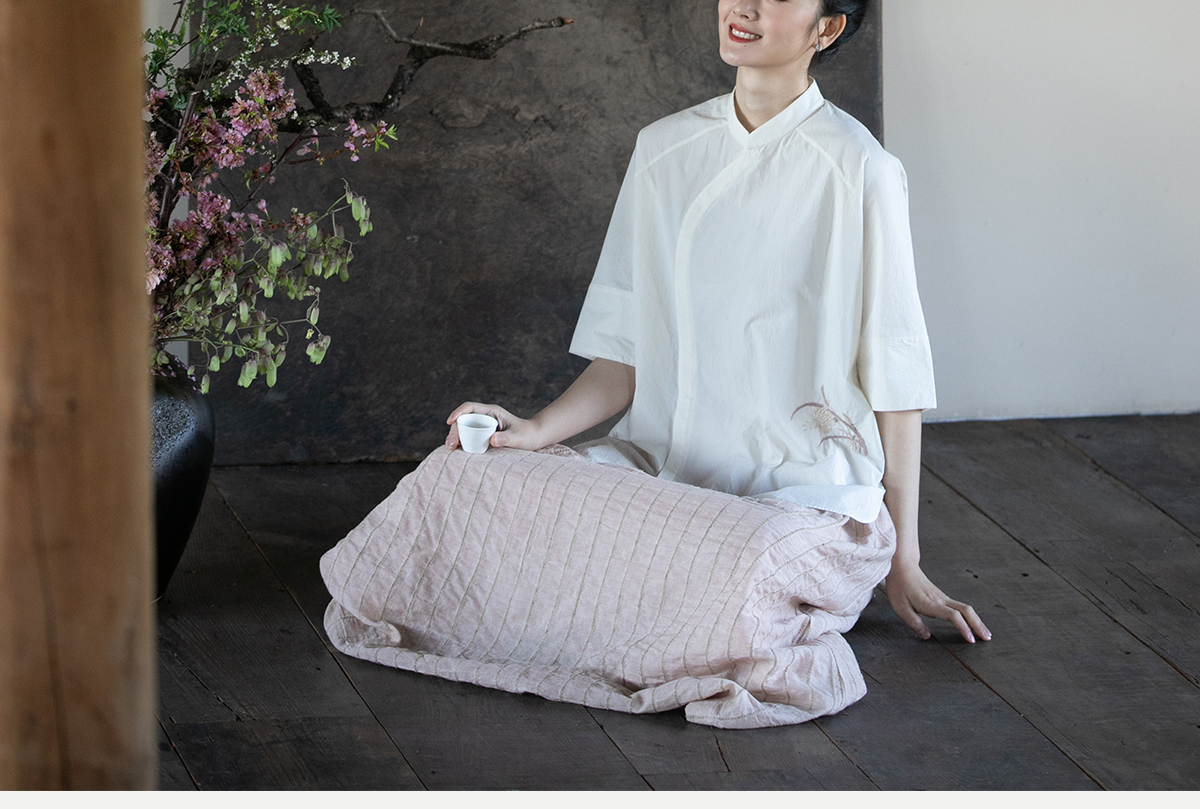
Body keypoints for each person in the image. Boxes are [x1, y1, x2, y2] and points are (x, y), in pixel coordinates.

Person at [445, 0, 990, 646]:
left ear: (827, 28)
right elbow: (626, 356)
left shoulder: (861, 169)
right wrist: (534, 431)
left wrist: (904, 558)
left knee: (740, 558)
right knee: (468, 483)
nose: (744, 6)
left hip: (802, 499)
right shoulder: (663, 149)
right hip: (661, 480)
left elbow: (897, 381)